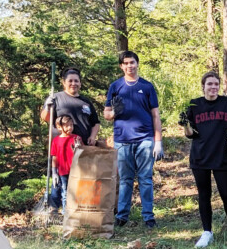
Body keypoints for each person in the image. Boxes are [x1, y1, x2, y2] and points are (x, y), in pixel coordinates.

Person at [180, 71, 227, 248]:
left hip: (221, 155)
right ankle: (207, 231)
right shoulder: (194, 104)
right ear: (203, 86)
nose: (213, 87)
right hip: (200, 156)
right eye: (210, 84)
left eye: (216, 84)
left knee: (226, 193)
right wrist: (186, 124)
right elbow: (189, 135)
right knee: (204, 194)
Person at [103, 51, 163, 229]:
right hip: (122, 140)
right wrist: (114, 112)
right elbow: (106, 114)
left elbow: (155, 115)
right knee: (126, 180)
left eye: (132, 62)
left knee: (145, 179)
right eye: (126, 63)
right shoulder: (115, 86)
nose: (130, 66)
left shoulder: (147, 86)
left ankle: (148, 217)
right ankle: (122, 216)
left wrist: (158, 141)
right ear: (121, 66)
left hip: (145, 139)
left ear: (137, 64)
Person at [40, 68, 101, 145]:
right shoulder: (55, 98)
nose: (73, 83)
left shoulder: (86, 102)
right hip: (62, 146)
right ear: (64, 83)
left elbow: (95, 123)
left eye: (76, 81)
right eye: (70, 81)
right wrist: (47, 108)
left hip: (83, 146)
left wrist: (92, 137)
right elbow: (45, 118)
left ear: (80, 83)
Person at [49, 115, 81, 214]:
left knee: (76, 191)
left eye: (71, 125)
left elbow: (83, 154)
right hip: (63, 171)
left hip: (76, 170)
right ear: (59, 127)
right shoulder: (56, 140)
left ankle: (75, 211)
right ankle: (65, 212)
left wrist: (78, 148)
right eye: (67, 126)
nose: (70, 128)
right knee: (65, 191)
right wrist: (54, 172)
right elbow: (54, 157)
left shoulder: (76, 138)